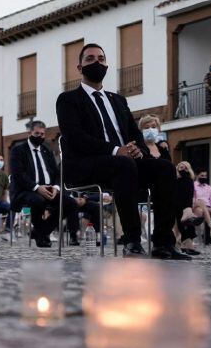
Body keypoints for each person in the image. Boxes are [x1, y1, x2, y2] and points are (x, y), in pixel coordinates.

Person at [55, 43, 189, 259]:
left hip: (123, 165)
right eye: (90, 59)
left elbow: (134, 134)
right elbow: (75, 137)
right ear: (79, 67)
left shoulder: (118, 100)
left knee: (164, 168)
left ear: (107, 65)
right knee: (124, 164)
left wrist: (139, 151)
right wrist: (117, 150)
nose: (96, 62)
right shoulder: (68, 100)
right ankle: (132, 240)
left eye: (101, 58)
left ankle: (163, 243)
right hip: (85, 165)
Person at [9, 121, 84, 247]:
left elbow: (56, 173)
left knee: (70, 203)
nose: (40, 136)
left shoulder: (46, 150)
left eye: (42, 134)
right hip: (26, 190)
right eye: (36, 133)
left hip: (49, 190)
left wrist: (55, 187)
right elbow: (19, 174)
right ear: (30, 132)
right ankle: (42, 236)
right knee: (38, 200)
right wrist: (37, 187)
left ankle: (41, 232)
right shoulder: (18, 150)